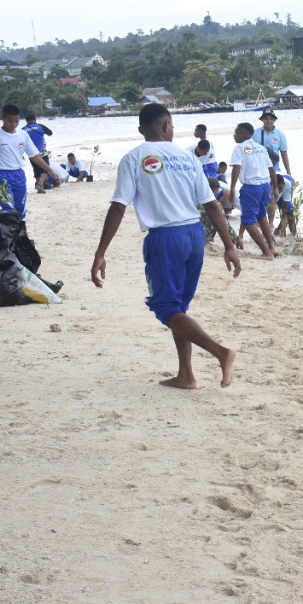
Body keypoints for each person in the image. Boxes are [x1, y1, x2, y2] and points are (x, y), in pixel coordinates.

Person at [90, 103, 240, 390]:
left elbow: (118, 208)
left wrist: (101, 252)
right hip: (194, 235)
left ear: (141, 130)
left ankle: (221, 352)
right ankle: (186, 375)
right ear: (167, 126)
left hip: (165, 239)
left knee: (166, 308)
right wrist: (229, 246)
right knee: (178, 308)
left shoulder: (133, 158)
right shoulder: (187, 158)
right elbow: (211, 205)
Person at [0, 105, 56, 220]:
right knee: (8, 208)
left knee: (21, 209)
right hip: (0, 175)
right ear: (2, 118)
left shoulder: (23, 135)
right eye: (9, 121)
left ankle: (20, 235)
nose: (13, 125)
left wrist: (50, 170)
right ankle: (9, 236)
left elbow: (34, 156)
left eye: (16, 121)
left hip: (18, 175)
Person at [229, 122, 279, 260]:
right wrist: (274, 188)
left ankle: (266, 252)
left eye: (236, 132)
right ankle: (271, 247)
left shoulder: (239, 148)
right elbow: (271, 169)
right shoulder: (261, 148)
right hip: (265, 186)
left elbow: (236, 168)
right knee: (262, 216)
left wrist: (232, 188)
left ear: (243, 134)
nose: (234, 135)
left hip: (252, 188)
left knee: (248, 221)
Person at [23, 112, 58, 192]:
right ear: (35, 119)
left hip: (31, 153)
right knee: (46, 169)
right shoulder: (40, 126)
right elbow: (50, 133)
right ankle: (40, 184)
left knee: (36, 169)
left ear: (26, 121)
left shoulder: (23, 129)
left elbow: (20, 142)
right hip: (42, 152)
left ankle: (39, 185)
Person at [271, 171, 298, 237]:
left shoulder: (287, 185)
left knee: (289, 212)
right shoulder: (266, 186)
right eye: (277, 188)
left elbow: (284, 209)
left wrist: (281, 226)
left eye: (280, 188)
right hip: (273, 184)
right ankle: (276, 232)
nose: (279, 190)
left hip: (289, 180)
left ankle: (294, 235)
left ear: (283, 184)